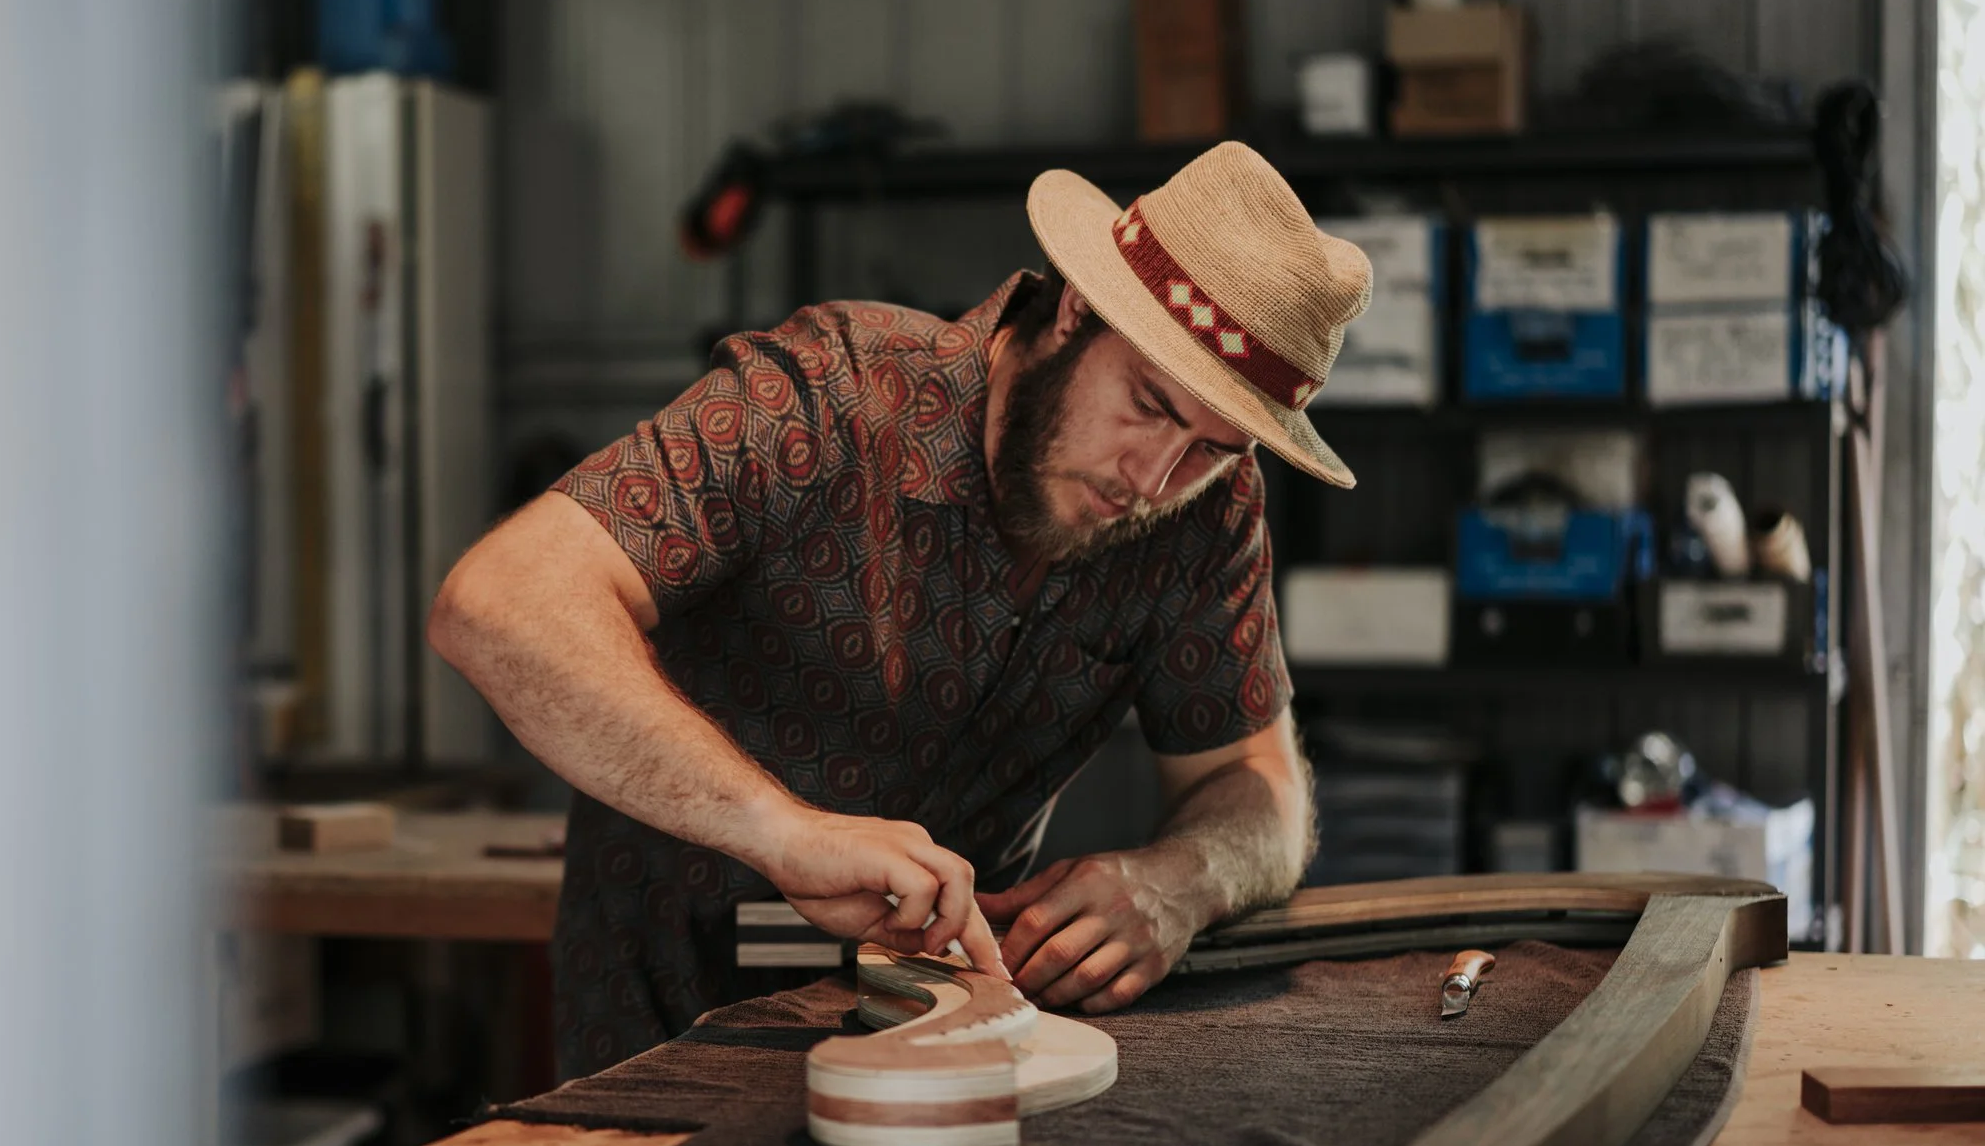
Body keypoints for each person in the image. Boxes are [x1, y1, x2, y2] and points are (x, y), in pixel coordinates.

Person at [432, 141, 1372, 1077]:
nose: (1153, 479)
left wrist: (1185, 881)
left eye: (1214, 447)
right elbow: (499, 601)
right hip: (668, 1013)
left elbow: (1261, 783)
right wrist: (780, 830)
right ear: (1079, 308)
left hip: (958, 1031)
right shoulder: (820, 400)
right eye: (1150, 405)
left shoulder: (1206, 510)